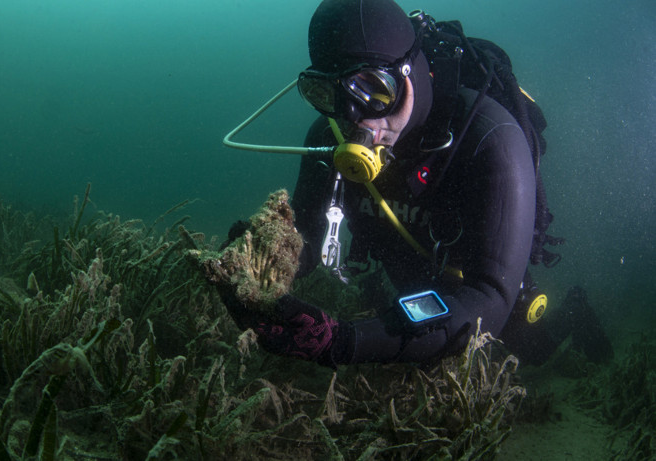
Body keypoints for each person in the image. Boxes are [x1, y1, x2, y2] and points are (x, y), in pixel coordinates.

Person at [223, 0, 613, 368]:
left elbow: (489, 300)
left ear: (408, 74)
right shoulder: (329, 137)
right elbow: (307, 234)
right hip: (407, 271)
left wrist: (343, 341)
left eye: (373, 88)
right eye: (326, 92)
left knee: (532, 350)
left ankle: (574, 312)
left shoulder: (490, 138)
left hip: (471, 276)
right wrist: (262, 255)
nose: (353, 118)